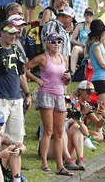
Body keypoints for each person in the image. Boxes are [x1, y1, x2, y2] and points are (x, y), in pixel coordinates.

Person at [24, 33, 72, 176]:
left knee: (59, 132)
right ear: (47, 43)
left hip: (60, 94)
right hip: (46, 94)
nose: (56, 44)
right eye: (53, 42)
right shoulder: (43, 58)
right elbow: (25, 68)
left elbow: (66, 80)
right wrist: (37, 80)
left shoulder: (64, 59)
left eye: (59, 41)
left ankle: (59, 165)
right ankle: (44, 162)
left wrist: (69, 78)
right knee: (48, 130)